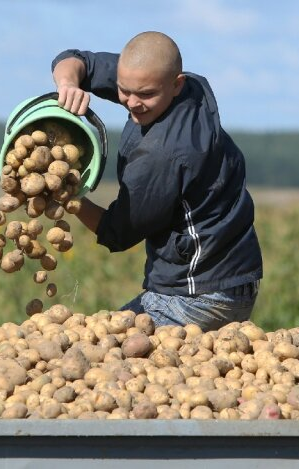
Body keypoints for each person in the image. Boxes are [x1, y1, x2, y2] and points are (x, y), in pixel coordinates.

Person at [51, 31, 262, 331]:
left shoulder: (164, 155)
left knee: (102, 345)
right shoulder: (183, 87)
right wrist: (68, 83)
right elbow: (77, 60)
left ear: (176, 84)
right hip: (235, 275)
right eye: (124, 90)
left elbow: (117, 232)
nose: (133, 103)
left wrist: (69, 198)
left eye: (145, 94)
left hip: (202, 295)